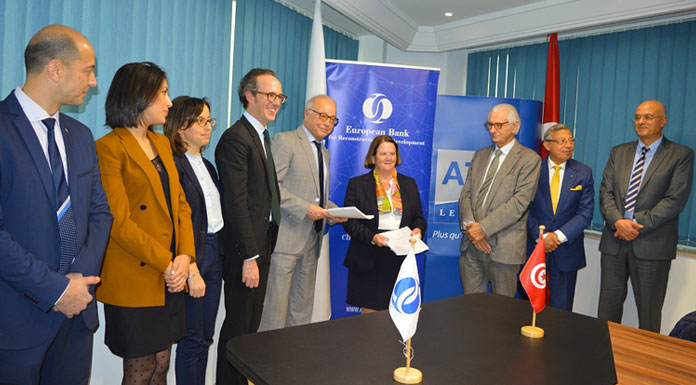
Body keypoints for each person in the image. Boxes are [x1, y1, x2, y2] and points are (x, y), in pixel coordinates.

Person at [0, 24, 112, 385]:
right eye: (89, 69)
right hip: (17, 322)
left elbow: (99, 213)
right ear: (55, 69)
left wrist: (77, 284)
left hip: (77, 316)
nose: (93, 81)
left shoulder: (79, 136)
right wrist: (56, 289)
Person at [95, 62, 196, 385]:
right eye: (163, 93)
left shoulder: (163, 143)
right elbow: (118, 222)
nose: (169, 102)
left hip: (169, 276)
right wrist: (168, 262)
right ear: (139, 95)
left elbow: (181, 205)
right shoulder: (108, 148)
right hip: (136, 277)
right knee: (140, 371)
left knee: (162, 366)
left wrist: (185, 257)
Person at [598, 100, 694, 332]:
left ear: (663, 121)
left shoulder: (681, 155)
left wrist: (634, 225)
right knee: (606, 312)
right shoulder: (619, 152)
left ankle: (647, 364)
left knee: (649, 315)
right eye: (638, 117)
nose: (641, 122)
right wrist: (618, 222)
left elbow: (674, 201)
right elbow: (605, 192)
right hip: (614, 241)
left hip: (652, 244)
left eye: (648, 117)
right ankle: (601, 359)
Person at [215, 68, 283, 385]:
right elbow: (236, 203)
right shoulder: (236, 138)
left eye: (279, 96)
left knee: (250, 328)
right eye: (270, 95)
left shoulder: (261, 136)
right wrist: (249, 256)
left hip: (262, 244)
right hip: (247, 253)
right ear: (249, 96)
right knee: (238, 330)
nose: (276, 101)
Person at [259, 94, 346, 331]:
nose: (328, 122)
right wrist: (306, 209)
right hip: (285, 241)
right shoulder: (284, 141)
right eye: (323, 116)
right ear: (307, 114)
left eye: (333, 119)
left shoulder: (324, 152)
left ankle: (290, 362)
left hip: (312, 241)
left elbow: (316, 195)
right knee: (274, 312)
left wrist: (333, 211)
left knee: (301, 311)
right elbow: (272, 188)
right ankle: (267, 364)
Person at [164, 97, 223, 384]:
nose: (207, 126)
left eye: (208, 120)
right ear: (179, 126)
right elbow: (176, 222)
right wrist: (191, 267)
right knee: (191, 340)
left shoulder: (208, 166)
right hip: (192, 257)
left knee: (205, 339)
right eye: (200, 120)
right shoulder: (172, 165)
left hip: (214, 252)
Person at [458, 103, 541, 297]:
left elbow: (519, 203)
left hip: (504, 249)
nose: (493, 130)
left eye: (499, 125)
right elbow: (466, 194)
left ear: (515, 126)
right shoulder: (480, 155)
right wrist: (473, 230)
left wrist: (483, 229)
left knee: (501, 314)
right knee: (471, 309)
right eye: (490, 125)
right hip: (471, 247)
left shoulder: (529, 159)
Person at [342, 135, 426, 313]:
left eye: (392, 153)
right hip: (368, 256)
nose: (388, 158)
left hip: (399, 259)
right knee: (370, 321)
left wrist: (418, 229)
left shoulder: (409, 184)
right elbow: (350, 222)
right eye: (383, 154)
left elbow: (418, 217)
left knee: (398, 314)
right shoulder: (357, 185)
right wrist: (373, 238)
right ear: (373, 157)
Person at [526, 124, 594, 311]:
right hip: (534, 248)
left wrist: (557, 236)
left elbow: (585, 213)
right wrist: (541, 237)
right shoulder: (532, 169)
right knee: (527, 306)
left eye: (571, 140)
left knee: (562, 309)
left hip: (567, 249)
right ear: (547, 145)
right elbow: (524, 208)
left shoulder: (583, 172)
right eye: (562, 141)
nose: (568, 145)